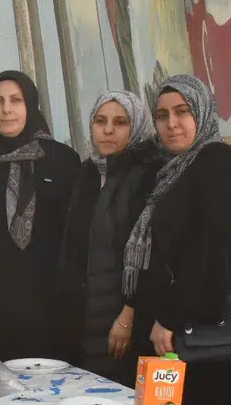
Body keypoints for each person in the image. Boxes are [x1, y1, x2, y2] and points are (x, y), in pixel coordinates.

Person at [129, 75, 231, 405]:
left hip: (201, 331)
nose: (172, 124)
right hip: (176, 324)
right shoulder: (176, 169)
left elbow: (211, 250)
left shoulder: (219, 164)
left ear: (202, 112)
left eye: (183, 112)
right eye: (163, 115)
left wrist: (172, 316)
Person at [0, 70, 80, 361]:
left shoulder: (62, 160)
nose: (6, 109)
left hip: (51, 298)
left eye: (16, 100)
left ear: (31, 106)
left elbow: (76, 234)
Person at [60, 91, 159, 385]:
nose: (107, 130)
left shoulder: (148, 174)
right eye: (100, 121)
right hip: (84, 313)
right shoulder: (87, 172)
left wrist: (128, 316)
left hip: (124, 317)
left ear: (137, 126)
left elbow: (151, 255)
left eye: (120, 122)